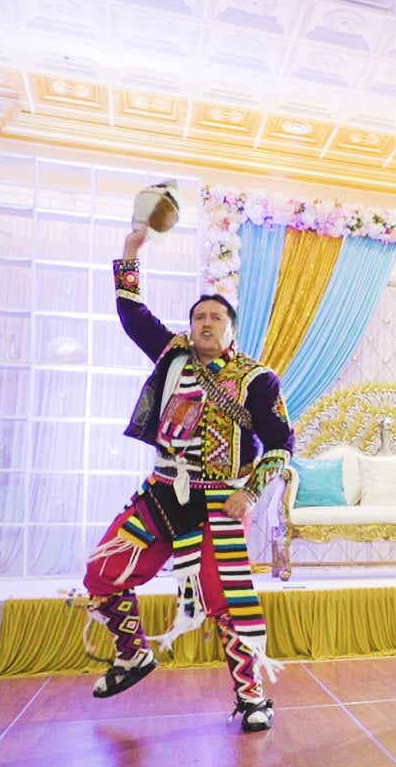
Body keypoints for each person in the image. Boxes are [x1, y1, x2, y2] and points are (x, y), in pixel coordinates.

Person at [78, 183, 292, 731]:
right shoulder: (171, 355)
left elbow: (283, 446)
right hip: (160, 496)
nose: (205, 322)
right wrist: (129, 255)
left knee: (227, 604)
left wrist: (251, 489)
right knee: (102, 572)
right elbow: (133, 316)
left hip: (220, 504)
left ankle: (251, 698)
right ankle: (133, 653)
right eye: (199, 316)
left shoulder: (257, 379)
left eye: (217, 317)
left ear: (232, 331)